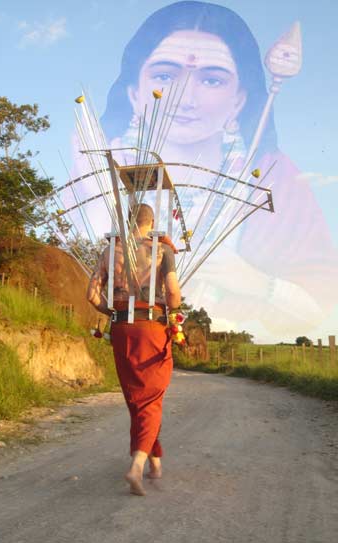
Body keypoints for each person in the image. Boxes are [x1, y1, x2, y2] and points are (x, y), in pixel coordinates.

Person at [91, 1, 338, 341]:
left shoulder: (271, 176)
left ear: (239, 99)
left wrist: (257, 284)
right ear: (134, 92)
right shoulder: (102, 167)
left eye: (211, 79)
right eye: (165, 75)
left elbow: (318, 302)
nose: (184, 98)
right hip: (139, 322)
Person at [87, 203, 181, 496]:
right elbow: (173, 294)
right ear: (151, 222)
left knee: (137, 398)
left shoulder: (110, 250)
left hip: (120, 331)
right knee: (151, 397)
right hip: (151, 329)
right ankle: (137, 467)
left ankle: (154, 461)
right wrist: (173, 308)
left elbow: (91, 294)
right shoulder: (161, 250)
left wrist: (111, 310)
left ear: (129, 221)